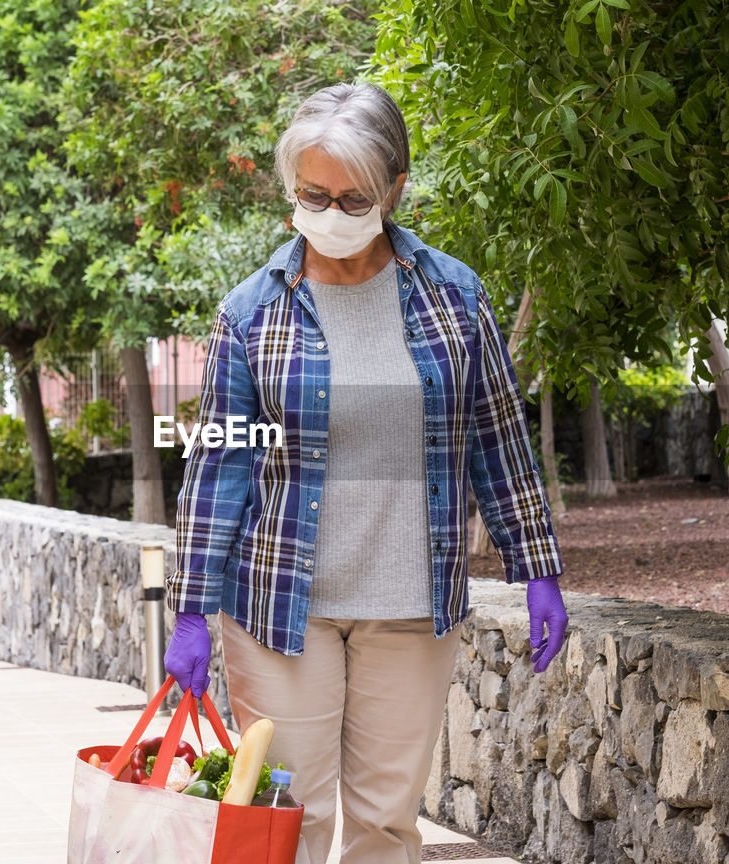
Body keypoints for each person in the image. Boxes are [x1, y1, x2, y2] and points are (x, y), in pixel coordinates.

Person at [165, 81, 567, 864]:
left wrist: (537, 567)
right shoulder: (250, 314)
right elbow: (219, 465)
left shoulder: (454, 297)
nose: (330, 213)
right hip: (281, 607)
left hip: (411, 606)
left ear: (395, 191)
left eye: (354, 199)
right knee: (289, 819)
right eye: (313, 194)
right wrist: (191, 607)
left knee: (387, 824)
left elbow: (498, 436)